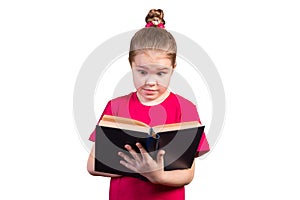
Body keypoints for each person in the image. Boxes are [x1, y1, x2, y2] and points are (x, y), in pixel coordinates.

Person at [87, 9, 210, 200]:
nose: (150, 82)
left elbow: (188, 173)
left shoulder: (185, 108)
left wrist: (157, 175)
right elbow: (93, 165)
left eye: (161, 73)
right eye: (142, 72)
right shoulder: (116, 106)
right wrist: (138, 168)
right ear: (131, 66)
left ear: (173, 68)